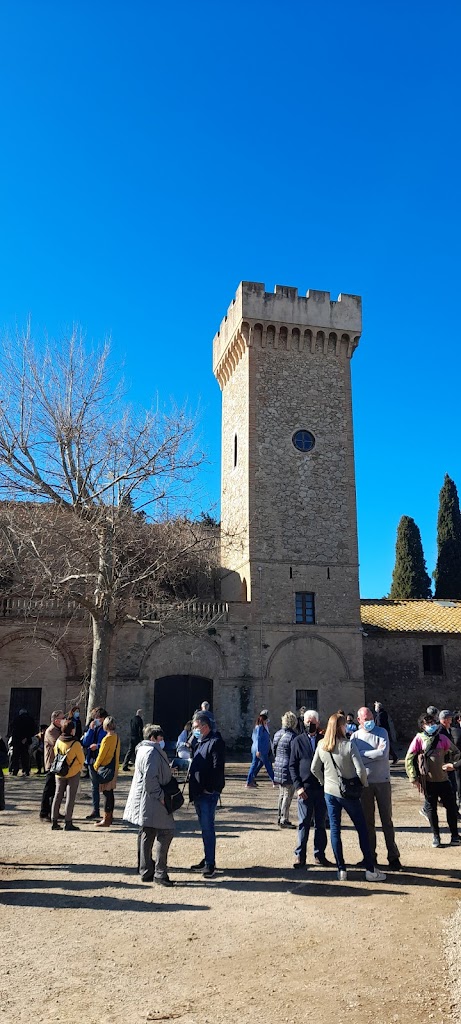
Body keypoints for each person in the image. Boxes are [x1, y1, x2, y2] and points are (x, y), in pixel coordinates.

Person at [311, 713, 386, 882]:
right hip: (349, 792)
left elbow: (314, 768)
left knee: (335, 829)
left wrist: (324, 782)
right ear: (341, 727)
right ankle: (369, 868)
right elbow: (360, 770)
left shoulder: (322, 744)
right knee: (362, 828)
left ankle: (341, 869)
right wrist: (364, 784)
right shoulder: (348, 745)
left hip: (330, 792)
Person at [124, 724, 176, 886]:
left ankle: (146, 870)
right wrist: (162, 797)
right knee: (165, 832)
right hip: (153, 800)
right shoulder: (152, 752)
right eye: (160, 738)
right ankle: (160, 873)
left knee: (147, 831)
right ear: (153, 738)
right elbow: (150, 779)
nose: (162, 741)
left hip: (145, 800)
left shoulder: (143, 750)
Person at [351, 707, 401, 870]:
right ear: (359, 720)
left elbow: (383, 754)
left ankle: (393, 857)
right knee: (367, 822)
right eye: (366, 718)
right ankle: (370, 856)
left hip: (382, 781)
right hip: (364, 783)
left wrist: (363, 754)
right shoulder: (355, 736)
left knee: (387, 820)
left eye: (371, 717)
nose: (369, 720)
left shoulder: (382, 732)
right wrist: (373, 753)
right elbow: (354, 757)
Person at [405, 713, 461, 847]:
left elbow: (456, 752)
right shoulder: (419, 739)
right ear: (422, 726)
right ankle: (436, 836)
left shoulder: (442, 738)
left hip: (443, 779)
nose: (430, 725)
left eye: (431, 722)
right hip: (428, 781)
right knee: (431, 810)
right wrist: (413, 777)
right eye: (426, 723)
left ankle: (454, 836)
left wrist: (451, 765)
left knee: (451, 808)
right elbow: (409, 758)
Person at [289, 710, 331, 868]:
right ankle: (300, 856)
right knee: (303, 823)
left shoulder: (324, 741)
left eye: (312, 722)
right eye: (307, 722)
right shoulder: (297, 741)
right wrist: (298, 787)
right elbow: (292, 766)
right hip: (304, 789)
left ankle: (319, 854)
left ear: (318, 723)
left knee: (320, 824)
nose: (309, 725)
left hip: (321, 789)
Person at [189, 711, 225, 879]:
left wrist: (210, 788)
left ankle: (210, 863)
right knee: (204, 828)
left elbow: (217, 768)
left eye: (196, 727)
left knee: (208, 827)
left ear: (204, 726)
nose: (194, 730)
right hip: (198, 792)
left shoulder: (215, 742)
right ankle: (207, 858)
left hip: (207, 793)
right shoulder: (199, 742)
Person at [50, 718, 85, 830]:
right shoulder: (75, 744)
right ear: (71, 730)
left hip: (59, 772)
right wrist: (78, 768)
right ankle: (68, 822)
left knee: (58, 795)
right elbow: (81, 759)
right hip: (73, 772)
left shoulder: (58, 741)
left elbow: (56, 753)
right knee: (70, 798)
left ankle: (54, 820)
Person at [92, 716, 120, 827]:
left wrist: (96, 765)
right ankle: (110, 816)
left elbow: (102, 754)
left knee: (106, 794)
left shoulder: (107, 738)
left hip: (106, 767)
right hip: (114, 767)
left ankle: (106, 819)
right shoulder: (116, 737)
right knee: (110, 794)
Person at [82, 707, 107, 819]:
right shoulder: (92, 728)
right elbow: (85, 742)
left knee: (106, 787)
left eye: (98, 718)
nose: (96, 720)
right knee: (94, 786)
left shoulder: (106, 728)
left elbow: (107, 744)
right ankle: (95, 810)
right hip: (91, 759)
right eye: (94, 718)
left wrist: (97, 746)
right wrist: (90, 730)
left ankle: (108, 812)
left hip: (103, 760)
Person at [273, 712, 298, 828]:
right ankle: (284, 818)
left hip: (278, 764)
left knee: (282, 793)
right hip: (288, 766)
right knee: (288, 794)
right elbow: (295, 754)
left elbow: (273, 749)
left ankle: (280, 816)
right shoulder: (293, 736)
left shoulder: (277, 734)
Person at [39, 710, 65, 821]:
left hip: (59, 763)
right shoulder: (51, 731)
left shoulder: (59, 730)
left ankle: (54, 811)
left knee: (57, 790)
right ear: (56, 720)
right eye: (61, 718)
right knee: (49, 789)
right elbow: (58, 744)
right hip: (52, 763)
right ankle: (44, 813)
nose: (63, 720)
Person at [246, 711, 274, 788]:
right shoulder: (261, 727)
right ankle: (274, 781)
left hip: (258, 749)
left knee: (256, 764)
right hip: (261, 750)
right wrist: (258, 750)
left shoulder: (258, 727)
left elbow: (253, 738)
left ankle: (250, 780)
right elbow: (258, 738)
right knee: (267, 765)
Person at [10, 708, 36, 776]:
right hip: (26, 740)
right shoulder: (30, 719)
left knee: (16, 756)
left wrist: (18, 739)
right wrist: (26, 738)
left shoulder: (16, 719)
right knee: (25, 756)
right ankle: (26, 770)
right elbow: (33, 730)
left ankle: (15, 770)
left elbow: (13, 730)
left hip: (17, 740)